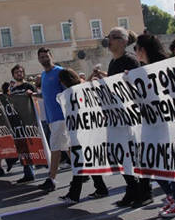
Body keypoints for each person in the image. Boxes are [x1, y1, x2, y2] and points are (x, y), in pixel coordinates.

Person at [90, 27, 150, 208]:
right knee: (121, 152)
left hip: (133, 116)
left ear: (124, 42)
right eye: (109, 37)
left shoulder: (130, 60)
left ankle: (144, 191)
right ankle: (132, 188)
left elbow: (136, 84)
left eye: (115, 38)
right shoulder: (113, 62)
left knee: (136, 154)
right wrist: (103, 78)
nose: (110, 41)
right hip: (118, 117)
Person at [135, 34, 175, 217]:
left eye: (136, 48)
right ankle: (172, 197)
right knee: (151, 161)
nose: (135, 53)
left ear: (143, 49)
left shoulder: (164, 67)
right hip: (153, 122)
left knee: (172, 162)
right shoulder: (142, 70)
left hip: (169, 122)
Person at [57, 68, 109, 204]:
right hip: (90, 131)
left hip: (80, 133)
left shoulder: (70, 93)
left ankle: (74, 195)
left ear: (64, 81)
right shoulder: (83, 88)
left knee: (79, 163)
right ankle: (101, 188)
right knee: (88, 160)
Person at [36, 47, 68, 193]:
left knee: (54, 148)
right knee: (67, 147)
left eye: (46, 56)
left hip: (61, 117)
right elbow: (47, 95)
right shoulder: (43, 75)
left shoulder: (60, 72)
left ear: (51, 56)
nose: (44, 59)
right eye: (41, 57)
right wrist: (34, 95)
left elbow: (67, 91)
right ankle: (86, 173)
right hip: (51, 118)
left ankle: (52, 179)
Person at [9, 64, 37, 184]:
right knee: (23, 148)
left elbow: (37, 100)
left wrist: (32, 94)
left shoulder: (29, 86)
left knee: (34, 146)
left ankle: (48, 168)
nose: (19, 74)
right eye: (16, 72)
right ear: (13, 75)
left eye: (20, 72)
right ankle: (28, 173)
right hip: (18, 123)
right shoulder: (13, 90)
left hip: (30, 121)